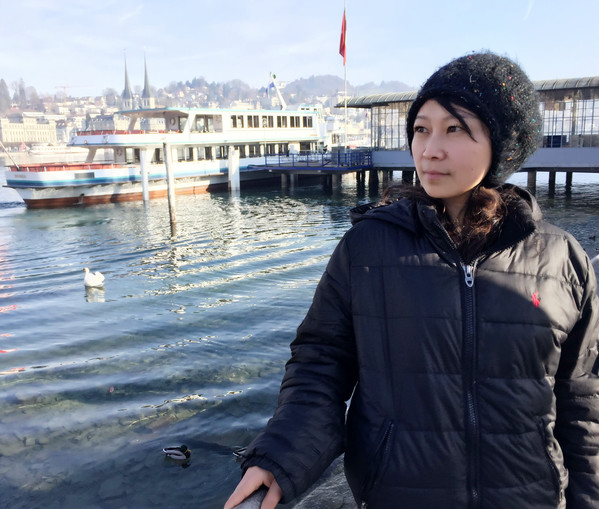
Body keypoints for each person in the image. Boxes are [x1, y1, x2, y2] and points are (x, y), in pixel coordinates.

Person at [224, 52, 599, 509]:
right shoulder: (367, 249)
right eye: (421, 129)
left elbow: (581, 402)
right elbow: (320, 366)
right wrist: (281, 456)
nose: (429, 149)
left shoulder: (561, 259)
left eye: (454, 129)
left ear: (502, 144)